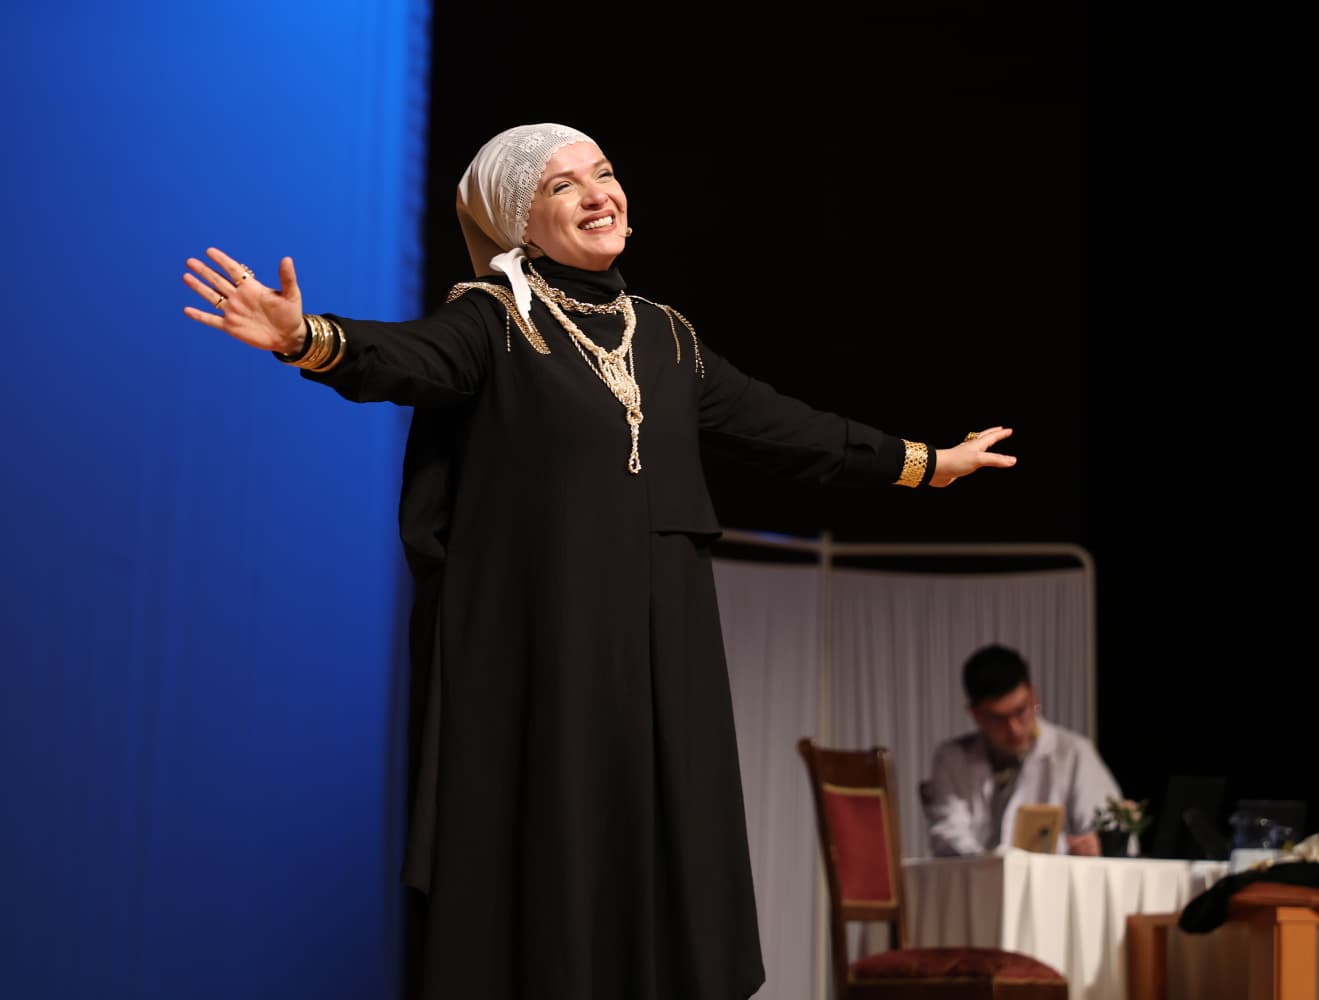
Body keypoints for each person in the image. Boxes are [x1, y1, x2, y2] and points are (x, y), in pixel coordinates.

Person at [180, 123, 1019, 1000]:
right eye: (562, 186)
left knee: (667, 838)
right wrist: (307, 337)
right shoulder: (493, 319)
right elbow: (406, 358)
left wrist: (923, 462)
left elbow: (787, 429)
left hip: (665, 648)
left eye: (604, 173)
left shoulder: (667, 336)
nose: (597, 194)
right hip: (555, 651)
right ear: (517, 220)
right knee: (564, 840)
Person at [925, 642, 1119, 857]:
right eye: (998, 719)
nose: (1014, 728)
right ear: (975, 714)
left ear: (1033, 696)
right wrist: (990, 864)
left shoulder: (1073, 753)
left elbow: (1106, 826)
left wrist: (1093, 844)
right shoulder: (951, 758)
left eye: (1021, 711)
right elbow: (948, 834)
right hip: (979, 875)